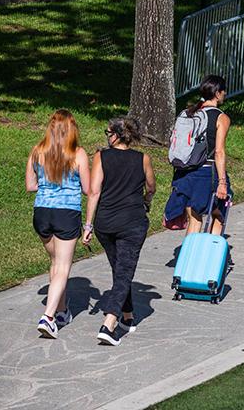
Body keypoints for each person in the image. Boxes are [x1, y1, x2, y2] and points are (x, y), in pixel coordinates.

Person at [82, 117, 155, 346]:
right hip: (132, 223)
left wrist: (88, 225)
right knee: (123, 271)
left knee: (120, 269)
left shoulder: (101, 157)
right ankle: (109, 323)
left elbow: (94, 192)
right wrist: (147, 201)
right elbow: (151, 187)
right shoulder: (142, 159)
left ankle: (126, 315)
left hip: (106, 224)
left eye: (108, 132)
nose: (107, 136)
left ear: (116, 135)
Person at [25, 109, 90, 339]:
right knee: (63, 267)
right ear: (72, 129)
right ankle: (49, 317)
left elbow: (30, 185)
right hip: (67, 213)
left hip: (42, 212)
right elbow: (87, 189)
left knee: (55, 262)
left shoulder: (37, 151)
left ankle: (62, 310)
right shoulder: (78, 154)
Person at [164, 75, 232, 236]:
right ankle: (210, 256)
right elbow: (219, 151)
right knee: (219, 214)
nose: (225, 94)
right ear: (217, 93)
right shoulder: (221, 117)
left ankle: (188, 258)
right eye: (223, 91)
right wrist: (222, 182)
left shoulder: (189, 113)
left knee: (195, 219)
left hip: (185, 172)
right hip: (207, 173)